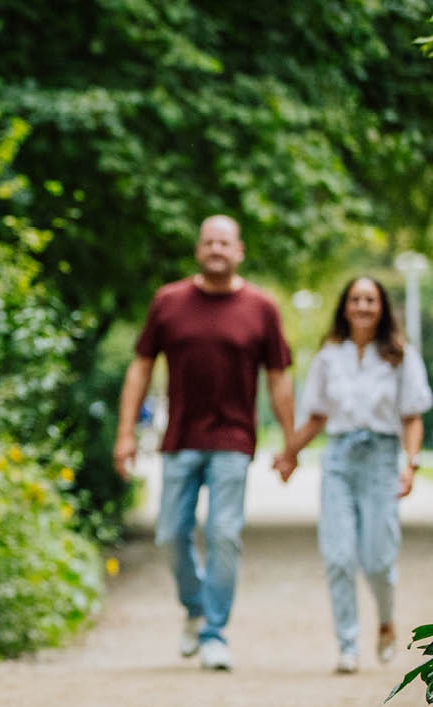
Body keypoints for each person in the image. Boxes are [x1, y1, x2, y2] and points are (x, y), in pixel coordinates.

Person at [113, 215, 295, 671]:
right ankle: (195, 608)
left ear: (239, 251)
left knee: (224, 535)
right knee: (170, 533)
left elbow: (279, 378)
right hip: (180, 438)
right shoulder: (169, 301)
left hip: (234, 439)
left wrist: (291, 443)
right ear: (198, 250)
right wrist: (125, 432)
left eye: (224, 243)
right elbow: (141, 367)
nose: (216, 249)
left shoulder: (261, 307)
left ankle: (214, 633)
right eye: (209, 242)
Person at [274, 276, 432, 673]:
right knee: (339, 557)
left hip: (381, 460)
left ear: (381, 308)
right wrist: (289, 454)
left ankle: (385, 620)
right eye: (356, 299)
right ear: (345, 307)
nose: (362, 306)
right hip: (339, 462)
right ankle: (347, 644)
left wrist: (410, 464)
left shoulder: (400, 355)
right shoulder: (329, 357)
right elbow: (317, 417)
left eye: (370, 300)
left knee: (378, 559)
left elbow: (412, 417)